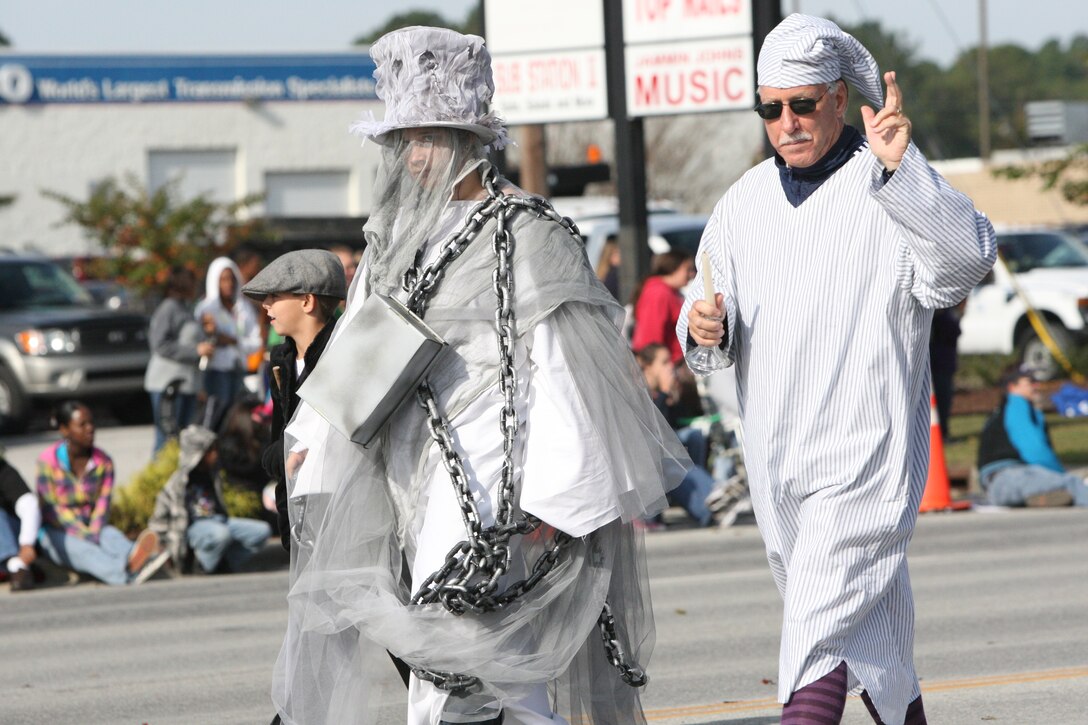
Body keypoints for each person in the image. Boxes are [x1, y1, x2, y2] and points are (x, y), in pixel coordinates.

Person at [272, 26, 688, 725]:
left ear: (469, 136)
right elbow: (353, 358)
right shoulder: (394, 243)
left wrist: (555, 503)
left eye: (428, 135)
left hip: (493, 486)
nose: (415, 154)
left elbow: (563, 370)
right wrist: (312, 443)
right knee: (497, 678)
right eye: (403, 139)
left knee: (449, 670)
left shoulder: (527, 234)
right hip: (409, 480)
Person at [681, 14, 997, 725]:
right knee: (876, 654)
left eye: (802, 104)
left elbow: (965, 261)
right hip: (778, 467)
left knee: (814, 643)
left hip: (863, 461)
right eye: (770, 107)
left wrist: (899, 169)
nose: (785, 121)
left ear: (837, 98)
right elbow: (702, 314)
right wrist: (703, 326)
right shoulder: (743, 205)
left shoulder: (884, 183)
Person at [36, 401, 169, 585]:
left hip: (92, 525)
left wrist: (94, 530)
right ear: (65, 429)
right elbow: (52, 510)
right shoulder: (48, 462)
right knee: (85, 551)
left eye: (91, 423)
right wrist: (84, 534)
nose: (90, 429)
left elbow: (103, 504)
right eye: (82, 425)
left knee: (111, 536)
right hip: (57, 531)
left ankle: (136, 557)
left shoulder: (103, 462)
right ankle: (124, 573)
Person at [637, 343, 747, 528]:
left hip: (661, 452)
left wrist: (675, 396)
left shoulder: (661, 390)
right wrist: (664, 394)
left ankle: (708, 496)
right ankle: (710, 503)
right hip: (645, 458)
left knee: (693, 437)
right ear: (648, 367)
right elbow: (656, 430)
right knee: (674, 462)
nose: (669, 367)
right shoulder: (639, 390)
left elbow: (676, 422)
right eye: (663, 363)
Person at [148, 424, 272, 575]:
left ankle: (225, 563)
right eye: (210, 451)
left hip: (218, 520)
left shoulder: (213, 475)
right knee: (221, 534)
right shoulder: (178, 484)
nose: (215, 455)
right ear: (198, 453)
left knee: (261, 531)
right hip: (193, 527)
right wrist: (162, 545)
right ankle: (202, 566)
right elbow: (159, 518)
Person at [977, 365, 1088, 507]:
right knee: (1071, 484)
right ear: (1012, 387)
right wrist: (1059, 475)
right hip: (1011, 476)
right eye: (1030, 381)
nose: (1036, 385)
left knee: (1066, 484)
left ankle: (1040, 497)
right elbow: (1034, 449)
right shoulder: (1017, 405)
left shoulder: (999, 412)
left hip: (998, 484)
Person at [144, 266, 217, 453]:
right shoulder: (168, 308)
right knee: (166, 439)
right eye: (193, 284)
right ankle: (157, 479)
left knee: (182, 438)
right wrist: (195, 350)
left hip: (186, 384)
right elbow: (159, 345)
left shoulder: (186, 308)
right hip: (167, 383)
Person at [196, 256, 263, 427]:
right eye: (223, 279)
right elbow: (198, 340)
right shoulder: (206, 308)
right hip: (215, 370)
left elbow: (256, 343)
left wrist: (233, 341)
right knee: (215, 414)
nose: (229, 284)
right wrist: (212, 335)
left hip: (238, 369)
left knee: (233, 416)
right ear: (214, 281)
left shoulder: (243, 309)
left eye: (232, 279)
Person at [631, 250, 695, 365]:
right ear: (673, 267)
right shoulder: (658, 293)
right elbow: (650, 336)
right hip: (662, 366)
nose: (692, 274)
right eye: (688, 269)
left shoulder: (670, 292)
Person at [1, 452, 40, 592]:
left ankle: (17, 567)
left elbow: (29, 503)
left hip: (11, 540)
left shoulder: (4, 471)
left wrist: (26, 544)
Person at [929, 303, 964, 441]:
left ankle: (943, 432)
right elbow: (953, 330)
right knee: (941, 400)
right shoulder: (938, 315)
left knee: (945, 400)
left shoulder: (946, 313)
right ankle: (941, 433)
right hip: (939, 364)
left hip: (945, 363)